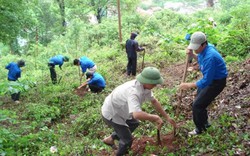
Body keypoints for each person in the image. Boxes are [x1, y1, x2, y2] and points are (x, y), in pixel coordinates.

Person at [102, 67, 177, 155]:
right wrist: (154, 117)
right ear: (147, 81)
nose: (156, 85)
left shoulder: (145, 87)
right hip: (112, 114)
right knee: (127, 140)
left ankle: (110, 139)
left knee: (134, 123)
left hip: (122, 110)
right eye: (154, 83)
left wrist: (167, 117)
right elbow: (137, 114)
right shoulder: (133, 92)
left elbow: (154, 101)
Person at [179, 31, 228, 135]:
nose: (195, 49)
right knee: (200, 102)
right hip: (211, 79)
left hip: (216, 82)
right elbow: (201, 60)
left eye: (196, 47)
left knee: (197, 105)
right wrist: (192, 54)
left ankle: (200, 129)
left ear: (204, 44)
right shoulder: (205, 49)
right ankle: (205, 123)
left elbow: (207, 81)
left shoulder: (211, 56)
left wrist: (188, 85)